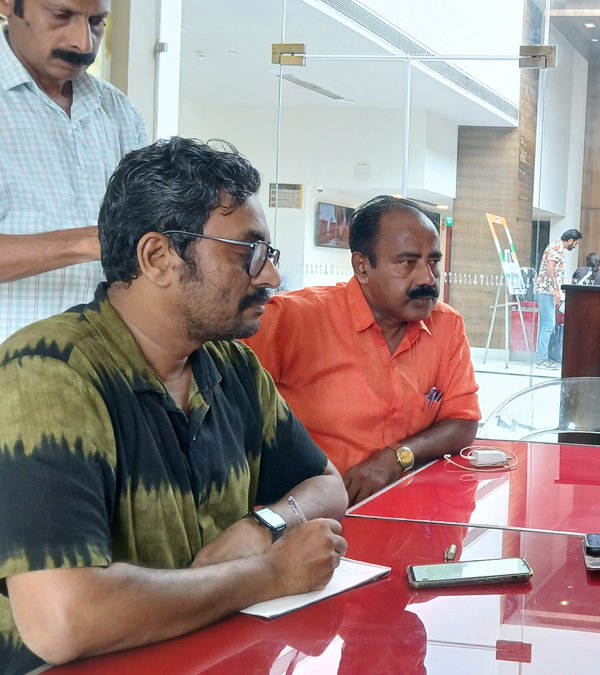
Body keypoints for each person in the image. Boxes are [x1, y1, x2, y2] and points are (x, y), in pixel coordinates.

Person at [0, 137, 349, 672]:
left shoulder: (231, 367)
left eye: (269, 255)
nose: (272, 277)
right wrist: (271, 574)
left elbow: (327, 484)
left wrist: (265, 526)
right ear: (158, 257)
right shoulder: (49, 371)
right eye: (248, 252)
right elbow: (62, 620)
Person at [244, 196, 481, 505]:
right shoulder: (290, 319)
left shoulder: (447, 326)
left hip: (406, 511)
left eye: (433, 261)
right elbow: (226, 418)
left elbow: (463, 421)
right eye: (408, 263)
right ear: (362, 267)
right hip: (305, 519)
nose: (428, 278)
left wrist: (398, 456)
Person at [0, 0, 149, 342]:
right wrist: (93, 240)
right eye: (61, 16)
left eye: (97, 22)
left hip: (105, 372)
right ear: (8, 4)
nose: (83, 43)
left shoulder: (120, 112)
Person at [533, 228, 582, 369]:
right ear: (571, 240)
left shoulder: (556, 246)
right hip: (546, 291)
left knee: (545, 325)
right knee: (548, 324)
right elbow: (550, 268)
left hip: (545, 291)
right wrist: (555, 290)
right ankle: (542, 360)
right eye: (576, 243)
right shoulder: (556, 247)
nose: (575, 246)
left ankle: (542, 357)